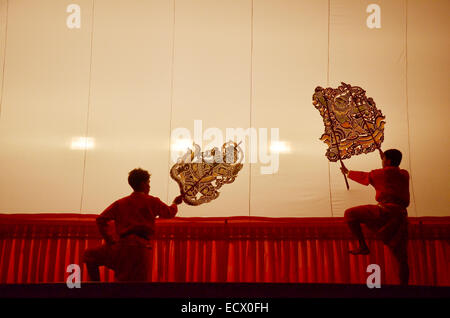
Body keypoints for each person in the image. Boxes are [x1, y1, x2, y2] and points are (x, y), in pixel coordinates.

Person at [83, 168, 183, 282]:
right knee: (136, 285)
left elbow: (100, 220)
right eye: (148, 183)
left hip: (122, 246)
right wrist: (175, 203)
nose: (149, 186)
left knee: (90, 256)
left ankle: (97, 290)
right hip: (141, 248)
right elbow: (169, 212)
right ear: (143, 184)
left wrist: (110, 241)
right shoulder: (152, 201)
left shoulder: (120, 203)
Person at [341, 149, 410, 285]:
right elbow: (391, 172)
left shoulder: (378, 174)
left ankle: (362, 245)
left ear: (388, 161)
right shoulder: (404, 174)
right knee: (402, 259)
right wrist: (385, 158)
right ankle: (404, 289)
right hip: (401, 216)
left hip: (384, 212)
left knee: (350, 214)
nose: (382, 160)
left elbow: (365, 177)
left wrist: (348, 173)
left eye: (383, 159)